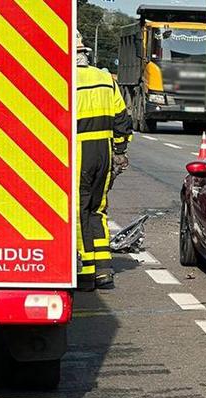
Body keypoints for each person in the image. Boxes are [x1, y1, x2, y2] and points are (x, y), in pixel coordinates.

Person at [76, 31, 133, 290]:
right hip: (104, 153)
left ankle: (85, 272)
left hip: (78, 152)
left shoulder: (65, 80)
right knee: (98, 210)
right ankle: (103, 271)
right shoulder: (105, 78)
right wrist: (120, 149)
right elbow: (122, 119)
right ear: (86, 54)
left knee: (79, 212)